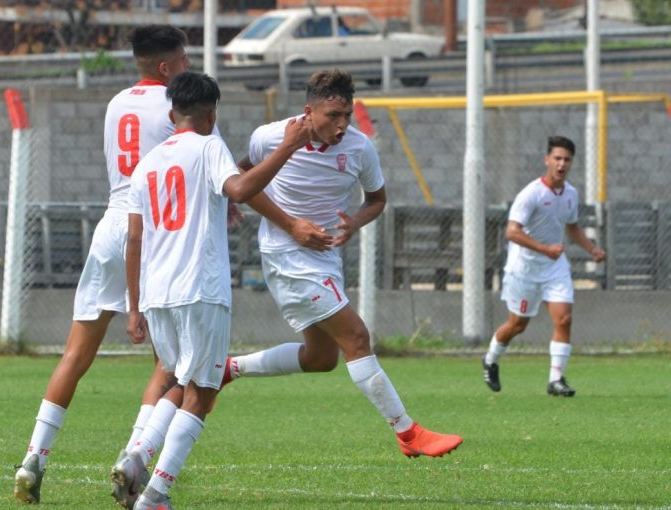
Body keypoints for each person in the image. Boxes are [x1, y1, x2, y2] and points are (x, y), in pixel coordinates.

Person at [223, 69, 463, 459]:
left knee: (321, 359)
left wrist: (355, 221)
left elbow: (377, 200)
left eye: (347, 115)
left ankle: (228, 369)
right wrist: (284, 223)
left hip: (323, 257)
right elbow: (243, 172)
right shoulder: (270, 136)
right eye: (333, 115)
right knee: (356, 337)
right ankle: (408, 433)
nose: (341, 124)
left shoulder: (359, 148)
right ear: (308, 111)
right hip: (286, 256)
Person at [13, 24, 191, 505]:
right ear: (165, 66)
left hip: (111, 225)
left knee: (76, 353)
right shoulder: (176, 108)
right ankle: (132, 460)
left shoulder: (116, 104)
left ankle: (34, 457)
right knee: (170, 364)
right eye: (184, 59)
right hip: (153, 233)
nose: (188, 66)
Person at [119, 71, 310, 510]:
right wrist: (287, 147)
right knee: (203, 393)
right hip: (200, 288)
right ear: (212, 114)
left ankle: (138, 457)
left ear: (172, 113)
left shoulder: (147, 163)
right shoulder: (208, 146)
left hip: (157, 292)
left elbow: (135, 239)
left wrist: (134, 308)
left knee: (176, 380)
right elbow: (239, 189)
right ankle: (155, 494)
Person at [481, 135, 606, 397]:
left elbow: (571, 225)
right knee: (517, 325)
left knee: (564, 318)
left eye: (567, 159)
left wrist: (591, 248)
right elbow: (512, 232)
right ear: (547, 160)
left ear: (572, 163)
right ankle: (491, 359)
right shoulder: (531, 194)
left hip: (554, 267)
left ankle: (556, 380)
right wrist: (545, 249)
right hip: (524, 269)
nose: (562, 164)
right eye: (557, 158)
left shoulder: (570, 194)